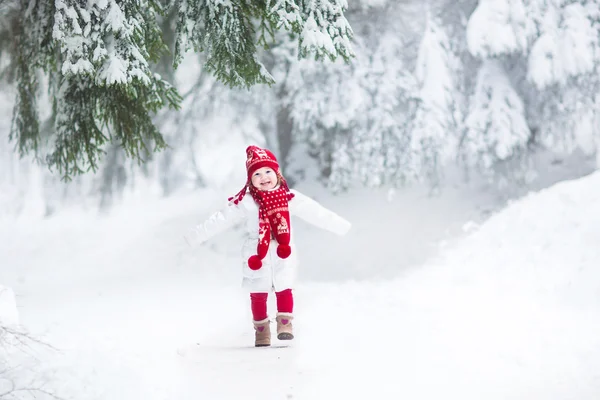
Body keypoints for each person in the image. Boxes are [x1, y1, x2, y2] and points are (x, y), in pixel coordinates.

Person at [185, 145, 351, 347]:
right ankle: (262, 332)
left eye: (268, 171)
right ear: (250, 180)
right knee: (258, 292)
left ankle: (285, 325)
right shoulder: (246, 202)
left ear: (277, 173)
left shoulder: (289, 197)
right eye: (257, 174)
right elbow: (221, 219)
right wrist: (196, 235)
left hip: (283, 249)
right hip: (257, 253)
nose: (263, 177)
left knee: (284, 287)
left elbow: (315, 212)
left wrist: (341, 226)